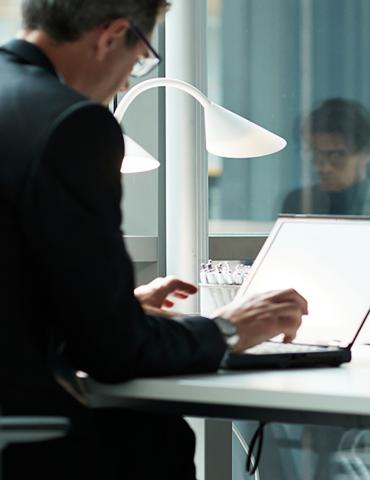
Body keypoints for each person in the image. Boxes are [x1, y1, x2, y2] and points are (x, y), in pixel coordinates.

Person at [0, 2, 308, 479]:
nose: (127, 83)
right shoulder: (72, 123)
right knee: (153, 436)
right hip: (27, 436)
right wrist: (227, 328)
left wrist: (109, 305)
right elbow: (113, 352)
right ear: (111, 35)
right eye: (139, 57)